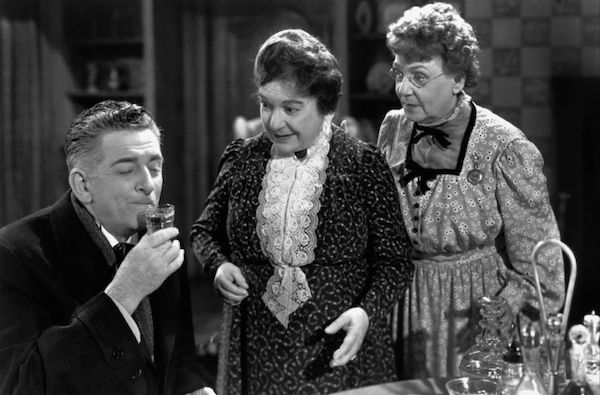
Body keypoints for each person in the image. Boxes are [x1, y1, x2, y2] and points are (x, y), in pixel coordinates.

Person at [190, 29, 413, 395]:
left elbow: (395, 260)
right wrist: (218, 266)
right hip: (257, 349)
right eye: (266, 104)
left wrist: (366, 312)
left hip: (338, 351)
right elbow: (204, 231)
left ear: (324, 105)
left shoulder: (361, 165)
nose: (275, 122)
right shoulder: (242, 159)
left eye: (291, 108)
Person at [377, 2, 565, 379]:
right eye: (399, 73)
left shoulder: (505, 147)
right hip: (401, 306)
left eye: (419, 76)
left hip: (472, 317)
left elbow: (543, 264)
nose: (403, 89)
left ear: (458, 78)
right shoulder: (393, 127)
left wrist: (505, 310)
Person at [0, 100, 214, 394]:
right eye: (127, 171)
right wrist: (124, 293)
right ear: (83, 186)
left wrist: (193, 387)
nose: (148, 184)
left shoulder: (162, 240)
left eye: (155, 166)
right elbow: (20, 386)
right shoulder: (13, 254)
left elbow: (177, 361)